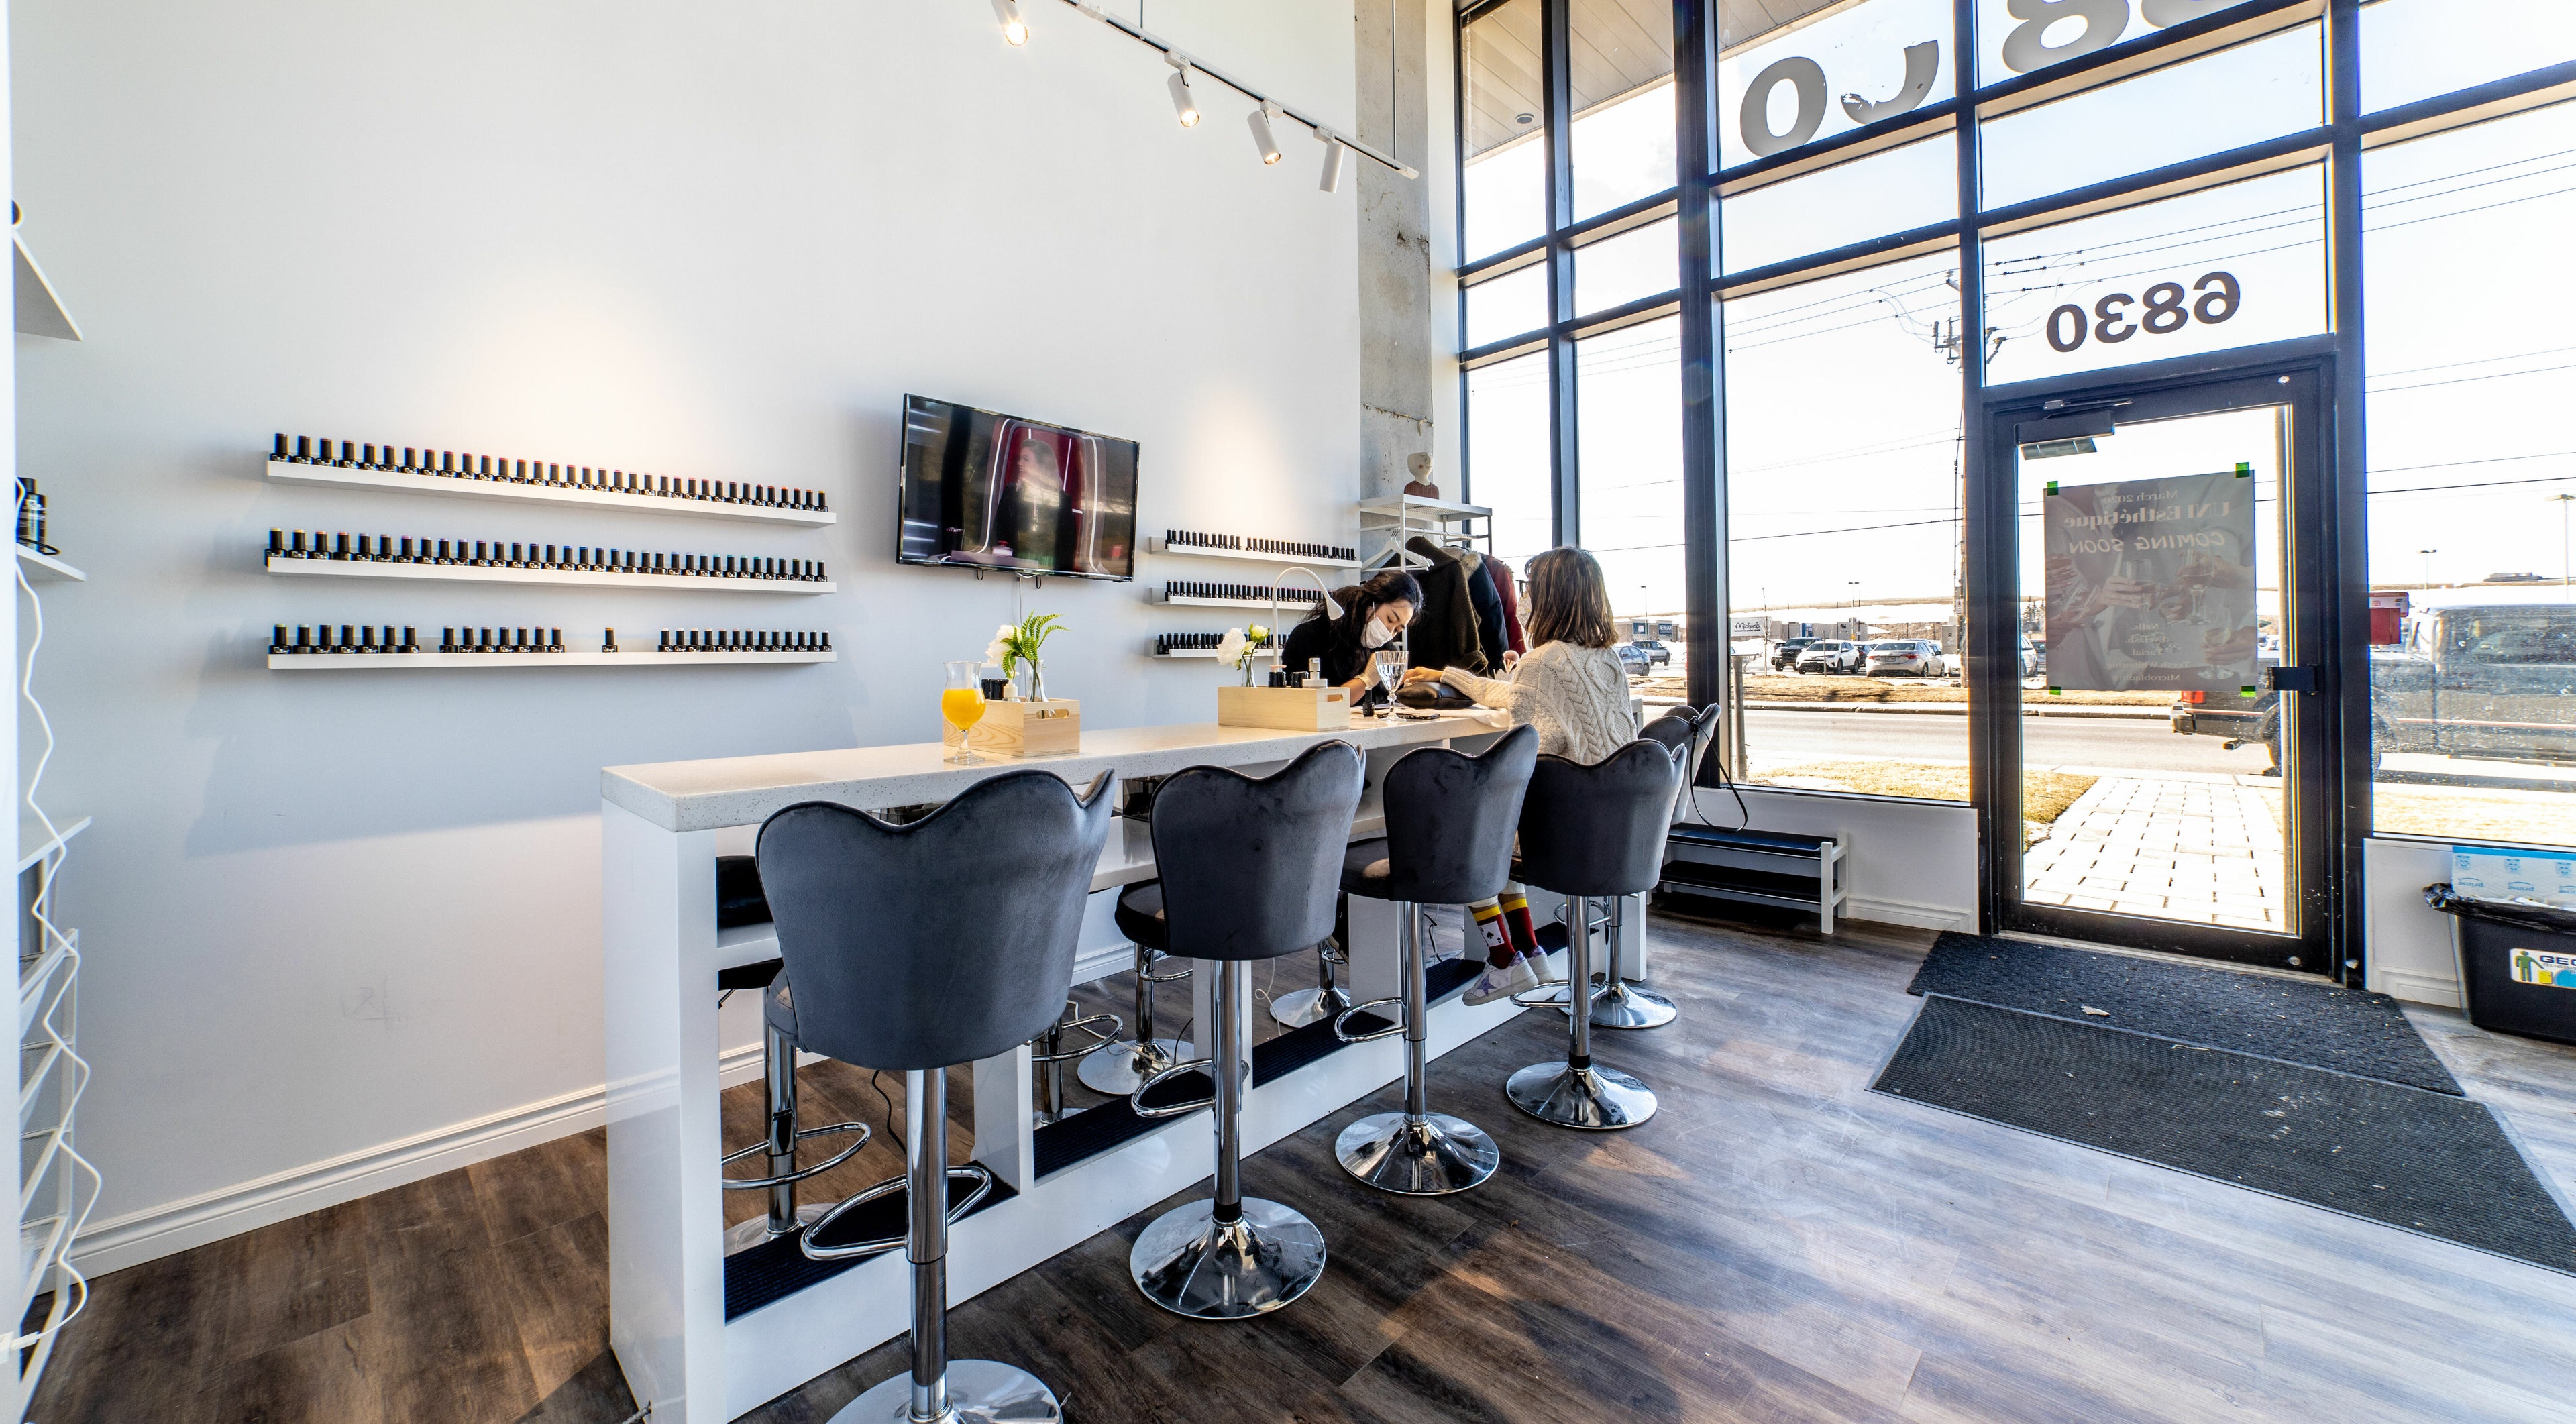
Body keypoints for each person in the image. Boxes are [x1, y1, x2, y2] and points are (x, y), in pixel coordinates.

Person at [1402, 545, 1639, 1005]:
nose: (1524, 600)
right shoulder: (1607, 659)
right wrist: (1448, 674)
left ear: (1551, 596)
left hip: (1569, 833)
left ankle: (1504, 959)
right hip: (1619, 824)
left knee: (1467, 831)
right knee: (1497, 829)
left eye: (1531, 590)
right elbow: (1516, 694)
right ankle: (1530, 952)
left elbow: (1526, 753)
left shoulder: (1541, 661)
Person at [1277, 569, 1421, 705]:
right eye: (1390, 619)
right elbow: (1311, 704)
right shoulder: (1309, 637)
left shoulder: (1382, 648)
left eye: (1397, 630)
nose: (1389, 633)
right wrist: (1365, 680)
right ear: (1371, 602)